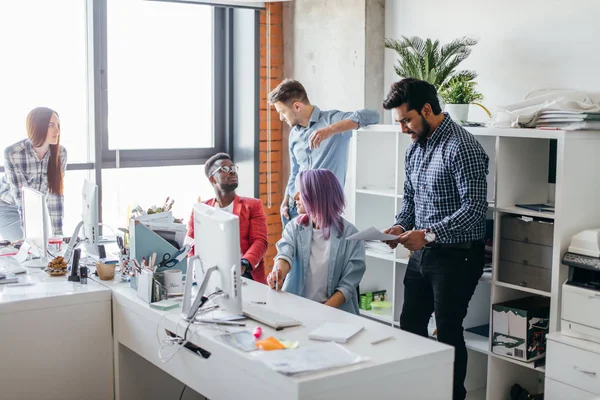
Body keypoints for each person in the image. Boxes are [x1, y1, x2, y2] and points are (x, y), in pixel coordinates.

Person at [381, 78, 489, 400]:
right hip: (422, 254)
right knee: (410, 325)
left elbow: (473, 211)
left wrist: (427, 235)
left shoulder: (463, 147)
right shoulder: (415, 150)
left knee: (448, 331)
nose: (403, 129)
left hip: (457, 257)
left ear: (427, 110)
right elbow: (411, 202)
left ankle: (453, 396)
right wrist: (400, 227)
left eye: (406, 120)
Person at [267, 79, 380, 227]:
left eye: (282, 112)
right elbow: (295, 170)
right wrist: (286, 200)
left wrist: (331, 130)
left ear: (296, 106)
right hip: (294, 209)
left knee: (324, 250)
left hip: (323, 211)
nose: (281, 118)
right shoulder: (293, 134)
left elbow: (373, 116)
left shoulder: (332, 121)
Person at [267, 169, 365, 314]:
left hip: (336, 314)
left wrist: (320, 313)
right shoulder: (294, 227)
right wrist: (278, 273)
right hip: (297, 309)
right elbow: (284, 254)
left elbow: (347, 287)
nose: (295, 196)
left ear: (316, 196)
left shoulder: (352, 236)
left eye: (300, 191)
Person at [186, 153, 268, 284]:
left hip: (245, 274)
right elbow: (190, 245)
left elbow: (260, 241)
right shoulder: (200, 210)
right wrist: (195, 271)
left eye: (233, 168)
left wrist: (242, 265)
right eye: (224, 169)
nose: (232, 172)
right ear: (212, 179)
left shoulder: (253, 205)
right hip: (210, 275)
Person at [0, 107, 67, 241]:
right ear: (38, 127)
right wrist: (29, 237)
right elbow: (21, 198)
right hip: (7, 207)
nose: (57, 131)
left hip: (35, 209)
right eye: (51, 125)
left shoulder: (61, 153)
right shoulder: (13, 153)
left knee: (46, 246)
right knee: (27, 247)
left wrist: (57, 235)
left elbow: (55, 196)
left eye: (58, 125)